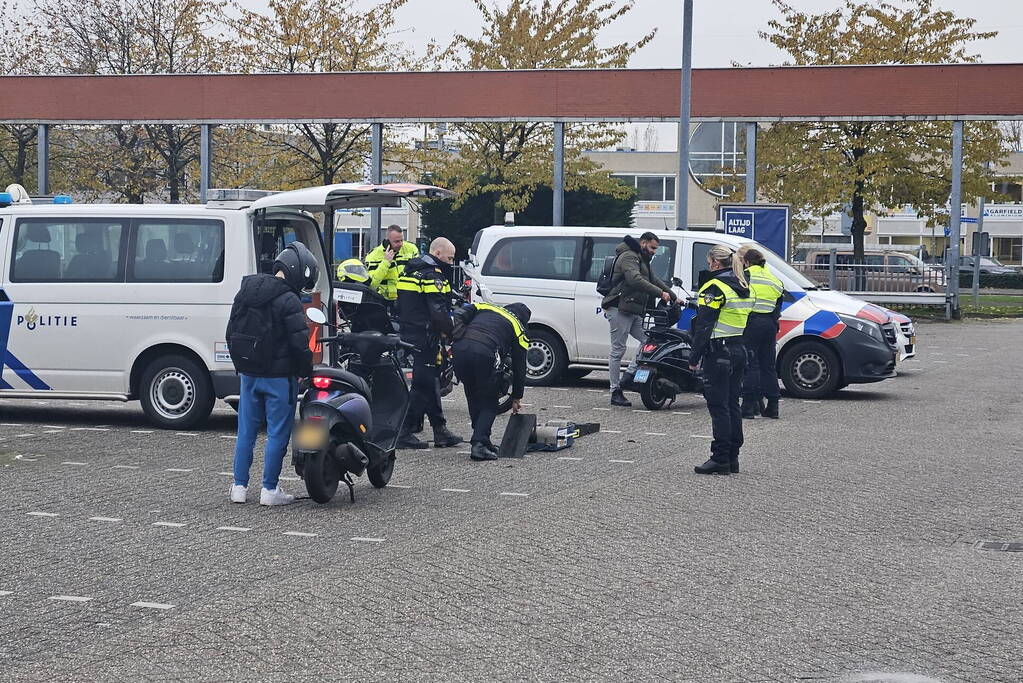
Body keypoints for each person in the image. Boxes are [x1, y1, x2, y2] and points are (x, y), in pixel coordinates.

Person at [226, 242, 317, 505]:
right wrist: (304, 372)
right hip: (279, 378)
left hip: (249, 375)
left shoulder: (245, 292)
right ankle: (269, 489)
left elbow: (230, 332)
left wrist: (241, 366)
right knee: (277, 432)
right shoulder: (288, 300)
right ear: (298, 272)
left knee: (246, 432)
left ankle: (239, 487)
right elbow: (300, 343)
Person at [688, 244, 753, 475]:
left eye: (709, 263)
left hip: (719, 353)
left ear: (715, 263)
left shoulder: (714, 287)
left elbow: (704, 326)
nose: (708, 267)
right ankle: (733, 457)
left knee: (719, 406)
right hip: (738, 351)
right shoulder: (744, 286)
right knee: (732, 404)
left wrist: (693, 357)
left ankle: (720, 458)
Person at [394, 236, 463, 449]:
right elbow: (439, 312)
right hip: (426, 336)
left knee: (429, 380)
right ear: (438, 254)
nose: (451, 263)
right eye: (450, 258)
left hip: (409, 332)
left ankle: (439, 429)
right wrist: (452, 333)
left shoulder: (409, 270)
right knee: (422, 384)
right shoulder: (433, 275)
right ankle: (403, 431)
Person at [601, 232, 676, 407]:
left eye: (656, 249)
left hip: (632, 309)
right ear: (643, 243)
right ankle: (615, 391)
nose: (654, 252)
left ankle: (629, 376)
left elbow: (654, 279)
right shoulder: (629, 257)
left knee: (649, 340)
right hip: (619, 307)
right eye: (652, 248)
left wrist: (672, 296)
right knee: (618, 349)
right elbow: (634, 280)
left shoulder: (642, 259)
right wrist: (660, 293)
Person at [451, 302, 531, 461]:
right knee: (490, 400)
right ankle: (479, 444)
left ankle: (482, 437)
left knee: (472, 393)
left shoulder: (485, 306)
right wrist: (517, 397)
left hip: (459, 349)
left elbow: (460, 313)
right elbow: (519, 366)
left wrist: (455, 335)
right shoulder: (518, 327)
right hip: (484, 351)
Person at [738, 246, 785, 420]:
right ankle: (773, 406)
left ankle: (748, 407)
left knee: (751, 364)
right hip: (770, 324)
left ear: (747, 262)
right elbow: (779, 301)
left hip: (752, 323)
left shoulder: (747, 275)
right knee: (768, 366)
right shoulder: (774, 279)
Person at [353, 225, 419, 304]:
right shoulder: (374, 256)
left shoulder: (411, 248)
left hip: (408, 299)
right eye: (397, 241)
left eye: (402, 240)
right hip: (385, 301)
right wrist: (386, 262)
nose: (401, 244)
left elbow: (418, 272)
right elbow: (372, 285)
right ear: (387, 241)